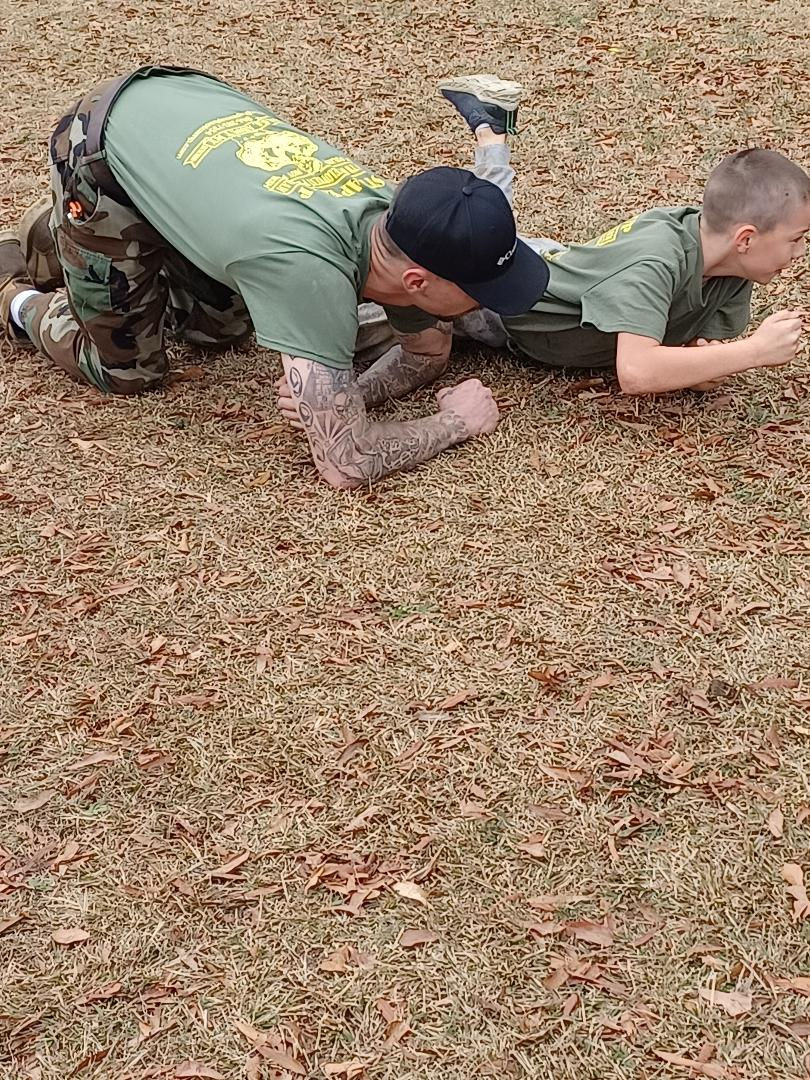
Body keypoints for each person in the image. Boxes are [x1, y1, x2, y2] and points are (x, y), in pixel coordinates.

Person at [0, 66, 549, 489]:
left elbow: (426, 353)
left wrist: (347, 394)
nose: (485, 304)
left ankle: (99, 249)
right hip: (104, 143)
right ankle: (19, 289)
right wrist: (456, 424)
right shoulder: (306, 271)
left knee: (216, 332)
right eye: (478, 291)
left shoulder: (406, 222)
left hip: (188, 120)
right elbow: (345, 462)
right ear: (415, 281)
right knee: (130, 370)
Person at [355, 75, 808, 396]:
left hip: (545, 264)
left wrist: (705, 363)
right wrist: (752, 352)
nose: (799, 251)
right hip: (499, 302)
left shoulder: (730, 263)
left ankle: (490, 130)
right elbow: (637, 372)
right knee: (372, 301)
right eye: (795, 238)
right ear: (746, 237)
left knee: (485, 216)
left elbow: (693, 359)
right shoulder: (655, 263)